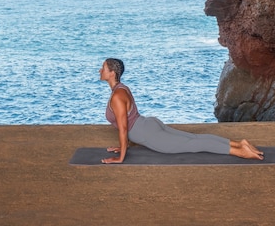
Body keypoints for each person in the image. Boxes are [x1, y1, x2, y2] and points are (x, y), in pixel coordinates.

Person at [99, 58, 264, 164]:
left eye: (103, 68)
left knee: (194, 144)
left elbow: (124, 128)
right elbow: (129, 119)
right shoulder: (122, 88)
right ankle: (239, 143)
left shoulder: (117, 96)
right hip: (148, 124)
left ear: (112, 73)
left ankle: (240, 152)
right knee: (194, 138)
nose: (100, 70)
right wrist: (124, 146)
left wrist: (120, 158)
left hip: (146, 132)